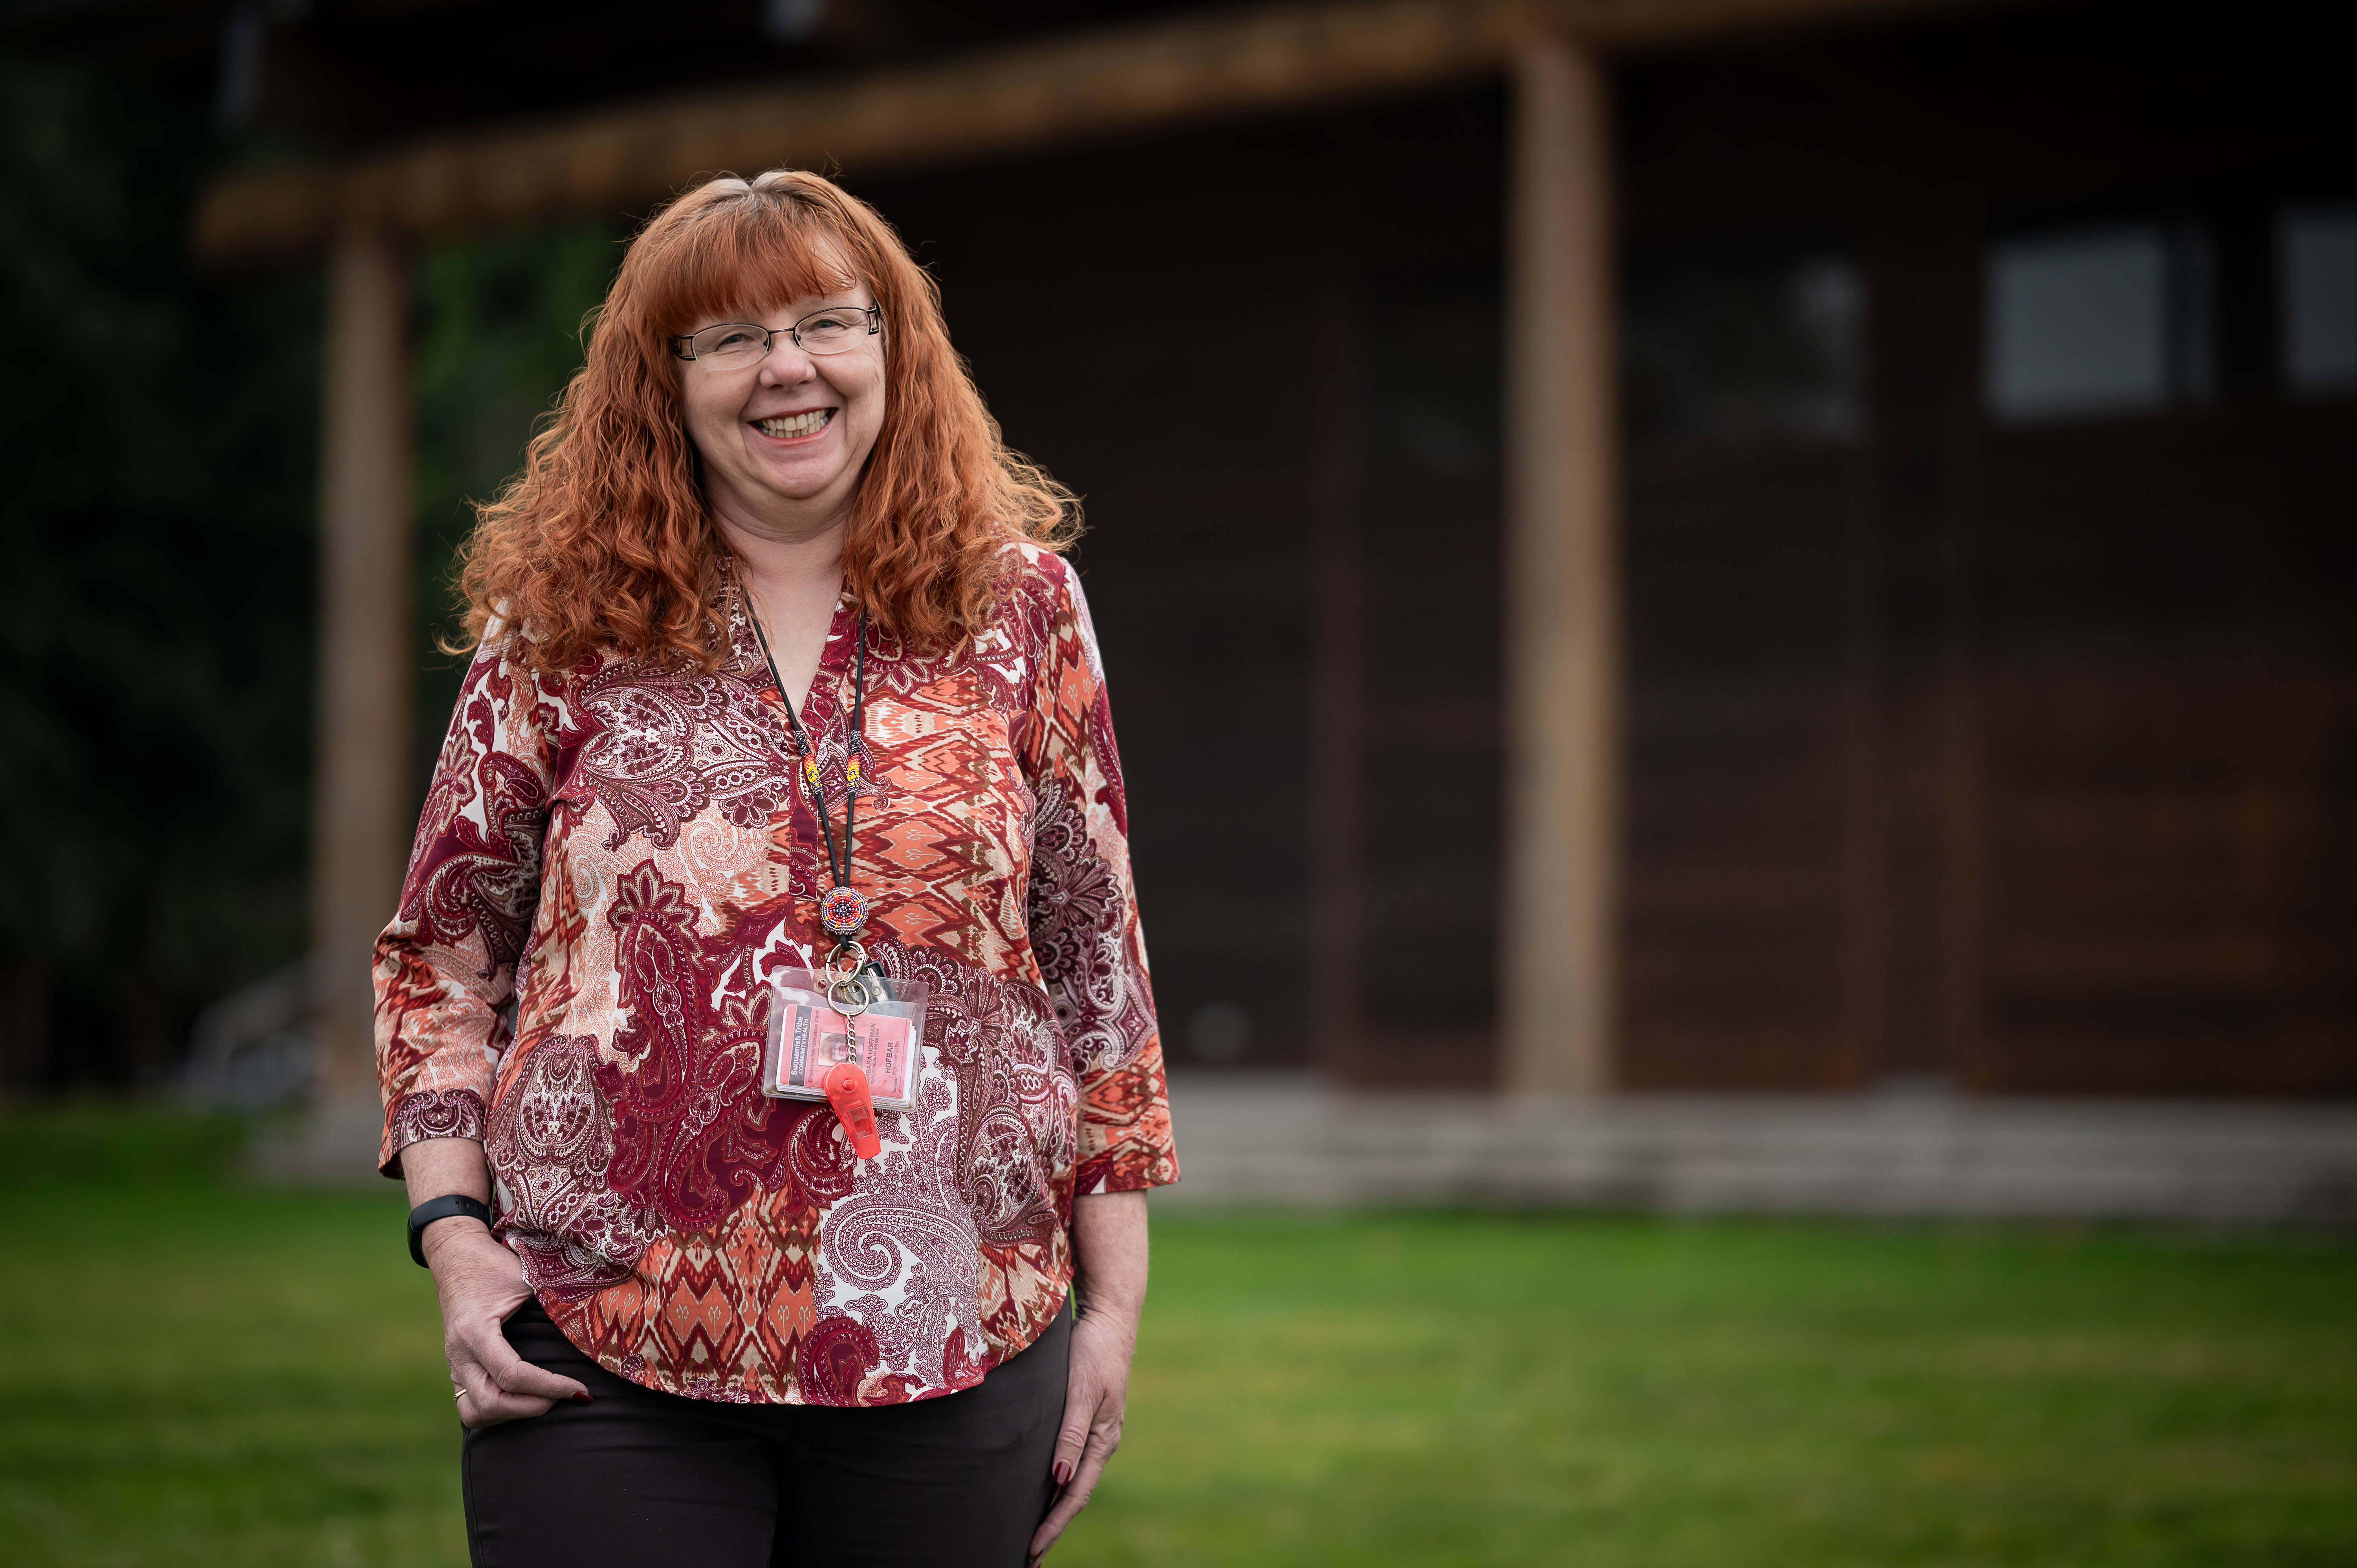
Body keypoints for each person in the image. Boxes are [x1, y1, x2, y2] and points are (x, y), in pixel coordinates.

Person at [374, 167, 1178, 1568]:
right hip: (600, 1326)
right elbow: (441, 957)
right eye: (732, 338)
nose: (787, 369)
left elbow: (1097, 964)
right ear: (664, 381)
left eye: (825, 322)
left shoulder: (1026, 609)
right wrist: (453, 1235)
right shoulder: (556, 626)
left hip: (962, 1328)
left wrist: (1108, 1317)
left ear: (891, 349)